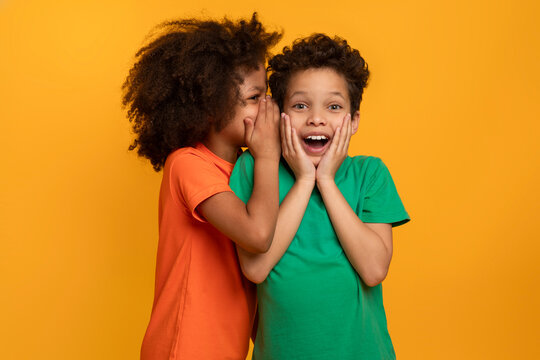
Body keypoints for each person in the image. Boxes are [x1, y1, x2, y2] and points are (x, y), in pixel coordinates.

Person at [229, 34, 410, 359]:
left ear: (353, 121)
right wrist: (303, 182)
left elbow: (373, 269)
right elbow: (255, 268)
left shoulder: (370, 175)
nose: (316, 118)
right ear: (277, 113)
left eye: (334, 106)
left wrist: (325, 179)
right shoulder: (254, 168)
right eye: (300, 105)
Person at [122, 14, 282, 360]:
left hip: (227, 348)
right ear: (212, 105)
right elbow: (257, 234)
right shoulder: (187, 164)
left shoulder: (246, 170)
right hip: (183, 347)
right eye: (255, 97)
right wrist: (269, 156)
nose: (268, 106)